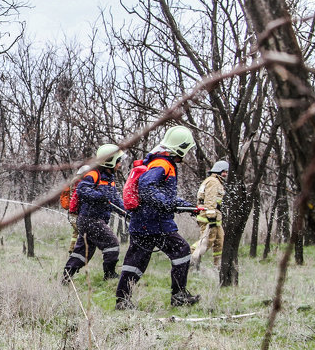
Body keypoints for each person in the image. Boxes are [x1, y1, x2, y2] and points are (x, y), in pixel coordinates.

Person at [115, 125, 202, 309]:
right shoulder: (163, 164)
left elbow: (164, 197)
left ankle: (122, 301)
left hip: (143, 222)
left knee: (135, 262)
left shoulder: (157, 162)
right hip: (155, 223)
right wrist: (167, 204)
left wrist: (189, 207)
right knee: (181, 250)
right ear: (180, 147)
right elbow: (147, 188)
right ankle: (178, 296)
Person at [62, 144, 125, 282]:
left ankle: (65, 278)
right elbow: (82, 190)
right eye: (118, 161)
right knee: (112, 243)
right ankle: (109, 275)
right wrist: (100, 196)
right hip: (90, 219)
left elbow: (114, 199)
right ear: (110, 161)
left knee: (82, 253)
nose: (120, 165)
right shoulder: (93, 174)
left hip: (92, 220)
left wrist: (127, 212)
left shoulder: (110, 179)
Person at [191, 160, 228, 269]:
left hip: (215, 217)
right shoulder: (213, 182)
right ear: (218, 171)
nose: (225, 174)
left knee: (220, 241)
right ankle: (189, 258)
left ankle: (218, 266)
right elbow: (210, 200)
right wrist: (211, 218)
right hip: (208, 217)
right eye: (224, 172)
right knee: (206, 241)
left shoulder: (215, 181)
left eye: (226, 172)